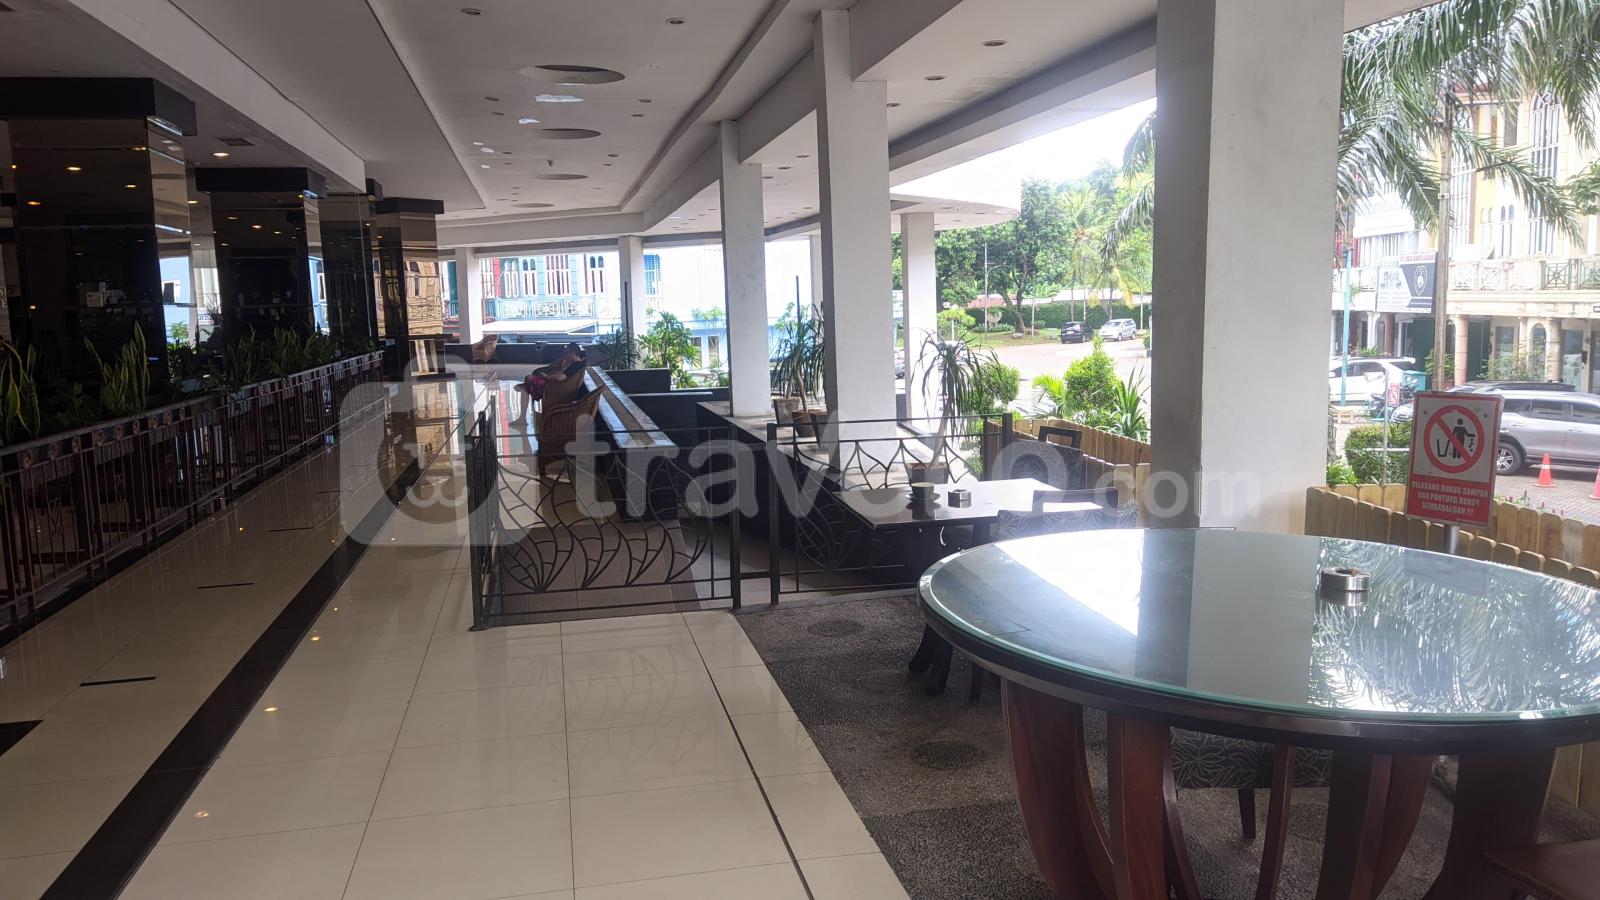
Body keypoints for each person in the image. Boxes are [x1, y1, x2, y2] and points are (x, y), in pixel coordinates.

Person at [513, 343, 586, 423]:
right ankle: (523, 417)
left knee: (528, 380)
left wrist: (546, 377)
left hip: (554, 387)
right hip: (554, 384)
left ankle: (522, 418)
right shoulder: (573, 362)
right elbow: (554, 369)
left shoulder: (576, 365)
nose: (564, 355)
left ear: (572, 353)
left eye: (566, 352)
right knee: (526, 387)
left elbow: (559, 377)